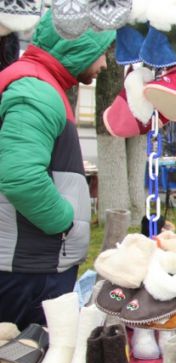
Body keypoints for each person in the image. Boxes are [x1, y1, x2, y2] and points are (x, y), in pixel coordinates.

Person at [0, 11, 114, 330]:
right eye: (101, 51)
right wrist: (64, 222)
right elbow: (21, 177)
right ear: (79, 45)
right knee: (25, 359)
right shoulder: (36, 90)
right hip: (30, 268)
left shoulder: (40, 85)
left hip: (34, 261)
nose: (104, 63)